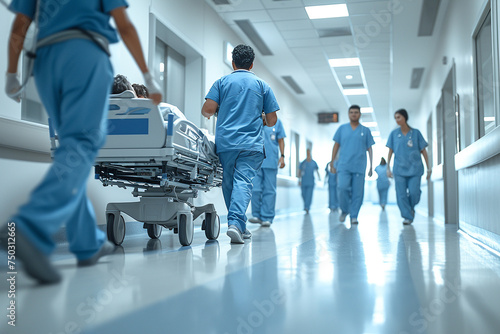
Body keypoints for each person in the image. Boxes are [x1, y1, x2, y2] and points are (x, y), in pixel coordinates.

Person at [1, 0, 162, 284]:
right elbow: (124, 25)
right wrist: (148, 75)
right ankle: (28, 227)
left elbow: (19, 28)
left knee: (71, 150)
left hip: (46, 61)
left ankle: (87, 243)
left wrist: (12, 73)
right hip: (84, 53)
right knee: (84, 143)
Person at [201, 44, 279, 244]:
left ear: (233, 62)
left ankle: (238, 225)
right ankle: (236, 223)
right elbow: (272, 121)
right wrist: (259, 116)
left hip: (226, 143)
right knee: (243, 181)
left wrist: (221, 109)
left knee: (229, 182)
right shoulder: (262, 86)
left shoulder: (222, 82)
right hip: (251, 145)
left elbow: (207, 110)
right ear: (252, 64)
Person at [330, 105, 374, 224]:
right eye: (351, 112)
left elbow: (369, 148)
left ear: (359, 114)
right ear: (348, 114)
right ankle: (345, 210)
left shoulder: (365, 131)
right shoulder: (342, 129)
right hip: (343, 165)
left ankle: (354, 215)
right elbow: (336, 146)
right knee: (342, 188)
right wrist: (332, 162)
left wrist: (370, 166)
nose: (354, 114)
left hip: (359, 166)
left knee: (358, 193)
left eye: (356, 112)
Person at [386, 109, 431, 225]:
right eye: (395, 118)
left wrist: (428, 168)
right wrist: (388, 168)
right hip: (399, 170)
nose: (397, 120)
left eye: (399, 117)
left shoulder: (416, 133)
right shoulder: (394, 134)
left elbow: (423, 151)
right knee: (401, 194)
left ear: (405, 117)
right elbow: (390, 151)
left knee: (414, 192)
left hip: (415, 169)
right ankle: (407, 216)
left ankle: (410, 208)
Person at [249, 114, 286, 227]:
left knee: (269, 190)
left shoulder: (277, 122)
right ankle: (256, 215)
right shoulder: (254, 119)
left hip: (271, 160)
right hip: (255, 160)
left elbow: (281, 140)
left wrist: (282, 156)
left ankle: (267, 217)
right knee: (255, 189)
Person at [299, 149, 320, 214]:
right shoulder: (303, 163)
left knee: (309, 195)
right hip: (303, 181)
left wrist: (319, 179)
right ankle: (306, 205)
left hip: (311, 182)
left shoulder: (314, 163)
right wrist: (299, 180)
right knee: (303, 194)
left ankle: (307, 207)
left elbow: (317, 171)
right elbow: (299, 171)